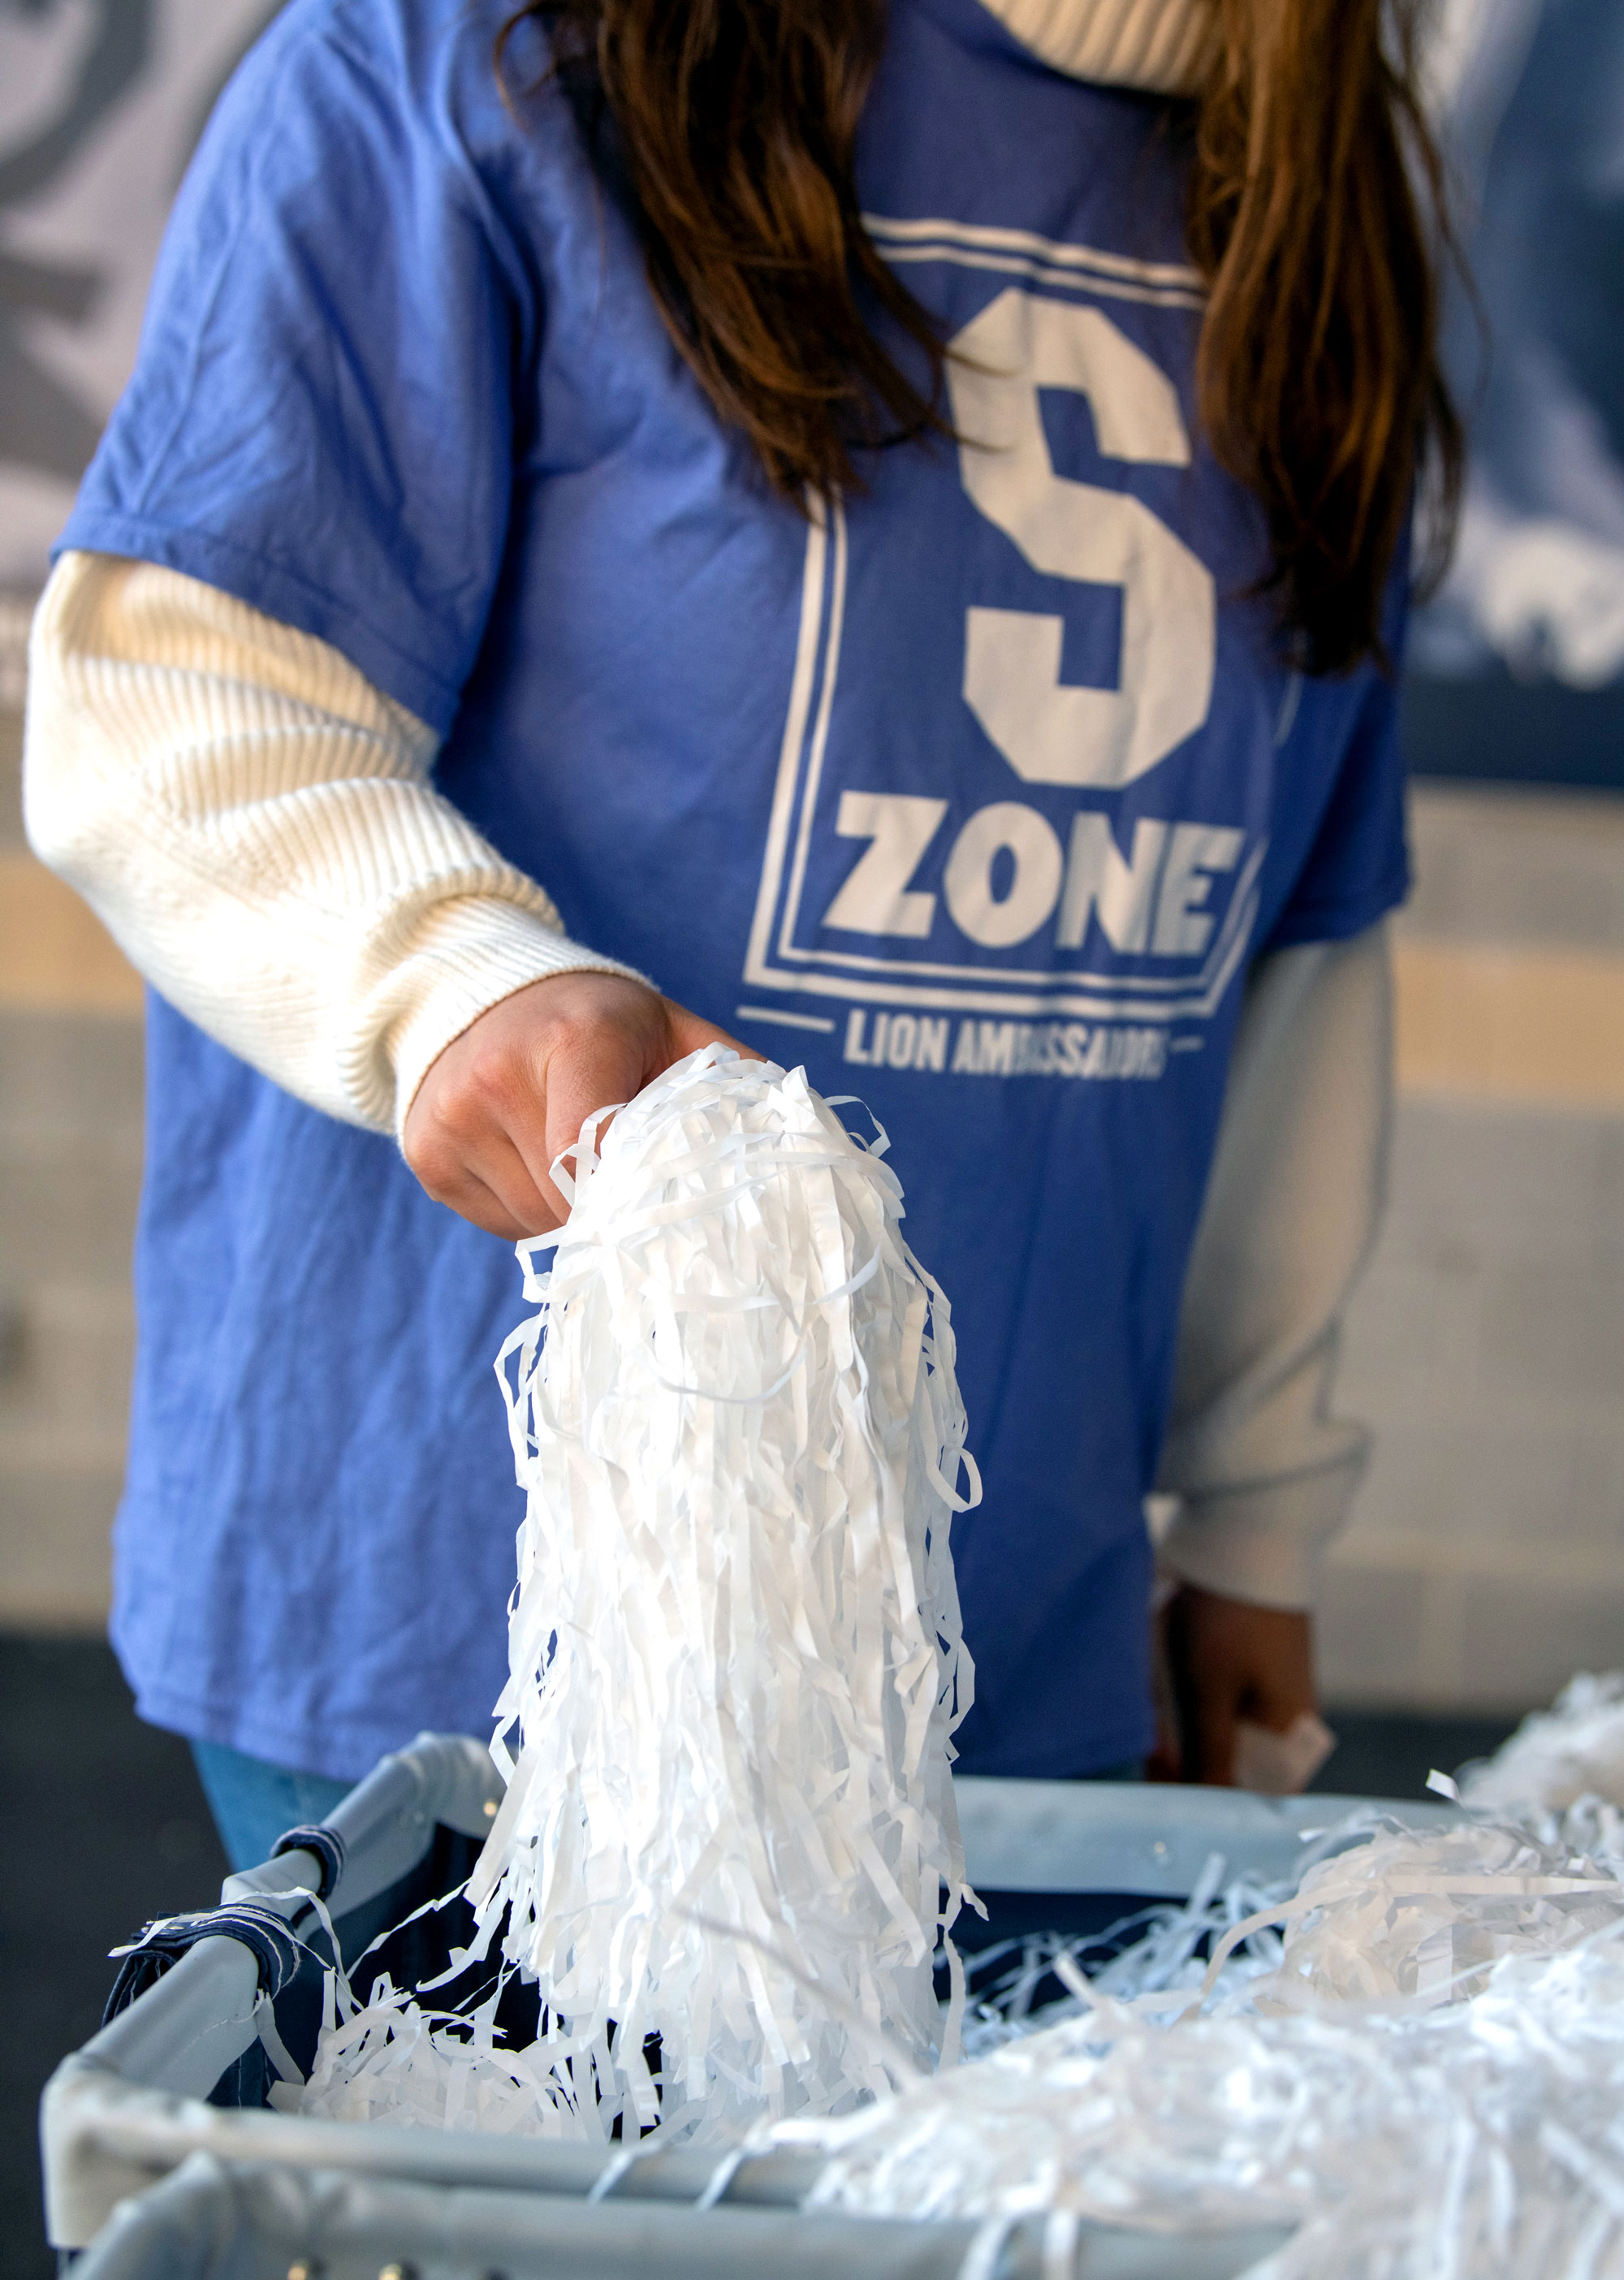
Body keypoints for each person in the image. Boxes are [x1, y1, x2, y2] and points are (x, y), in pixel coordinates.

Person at [24, 0, 1456, 1869]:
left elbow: (1288, 960)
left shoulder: (1319, 195)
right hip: (474, 1641)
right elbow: (173, 695)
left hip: (1023, 1648)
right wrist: (464, 985)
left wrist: (1252, 1516)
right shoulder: (479, 61)